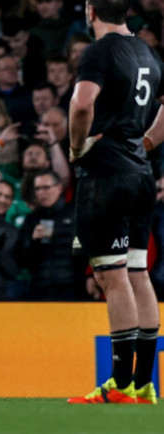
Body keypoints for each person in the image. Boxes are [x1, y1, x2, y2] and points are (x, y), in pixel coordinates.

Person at [67, 0, 164, 404]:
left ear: (91, 11)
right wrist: (144, 143)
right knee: (138, 273)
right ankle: (144, 384)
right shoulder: (147, 51)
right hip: (140, 174)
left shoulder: (100, 51)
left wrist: (77, 146)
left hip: (105, 176)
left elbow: (83, 103)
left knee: (113, 276)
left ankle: (120, 383)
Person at [14, 170, 83, 300]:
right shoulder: (32, 219)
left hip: (71, 289)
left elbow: (84, 250)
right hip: (39, 290)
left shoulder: (75, 214)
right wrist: (34, 241)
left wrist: (58, 234)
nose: (41, 193)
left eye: (46, 187)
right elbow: (21, 260)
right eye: (38, 189)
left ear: (59, 188)